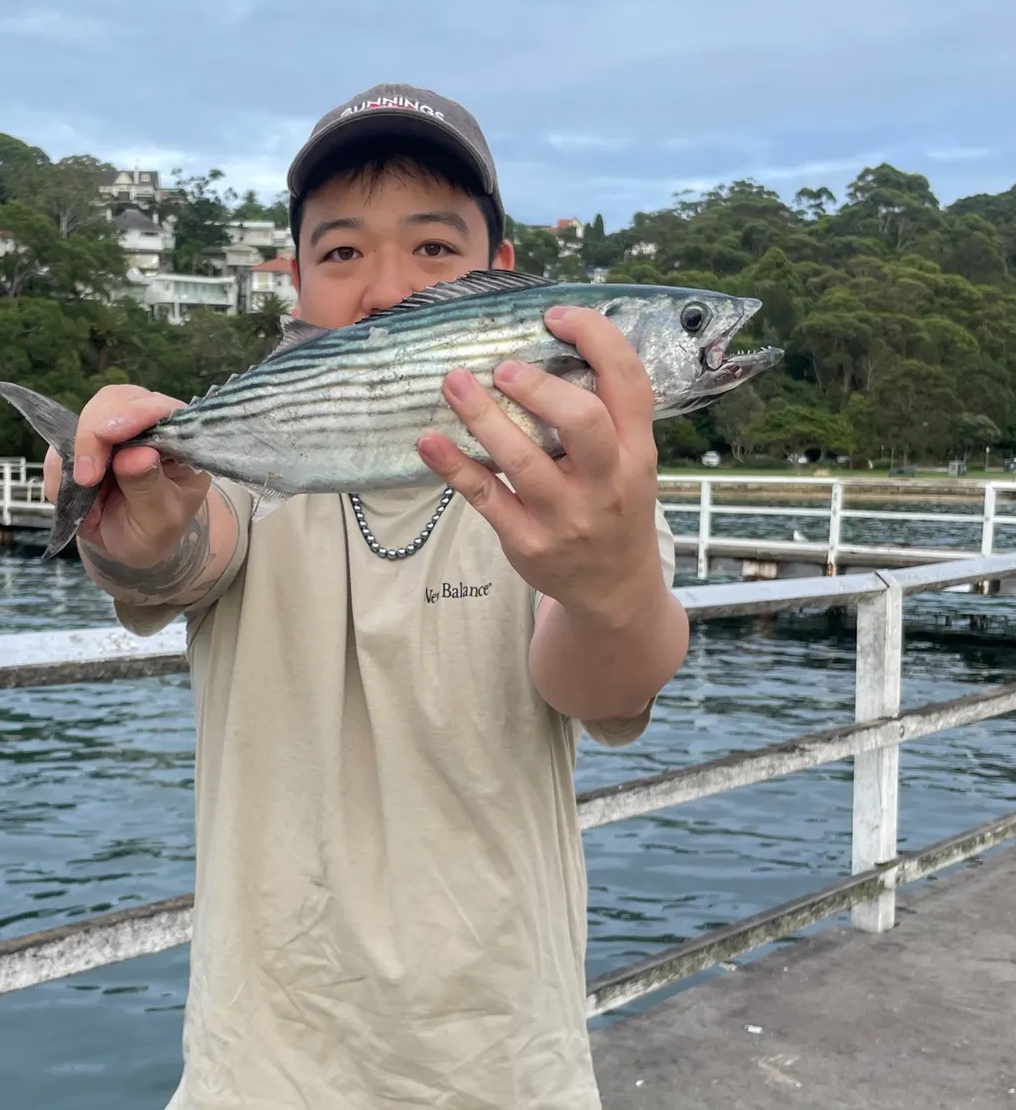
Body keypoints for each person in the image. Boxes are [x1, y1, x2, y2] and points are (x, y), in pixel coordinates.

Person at [45, 84, 686, 1109]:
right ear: (293, 283)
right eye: (342, 253)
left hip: (507, 1072)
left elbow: (606, 690)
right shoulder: (249, 465)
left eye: (435, 249)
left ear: (508, 282)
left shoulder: (586, 487)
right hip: (257, 1074)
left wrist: (606, 584)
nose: (386, 290)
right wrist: (135, 532)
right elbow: (179, 560)